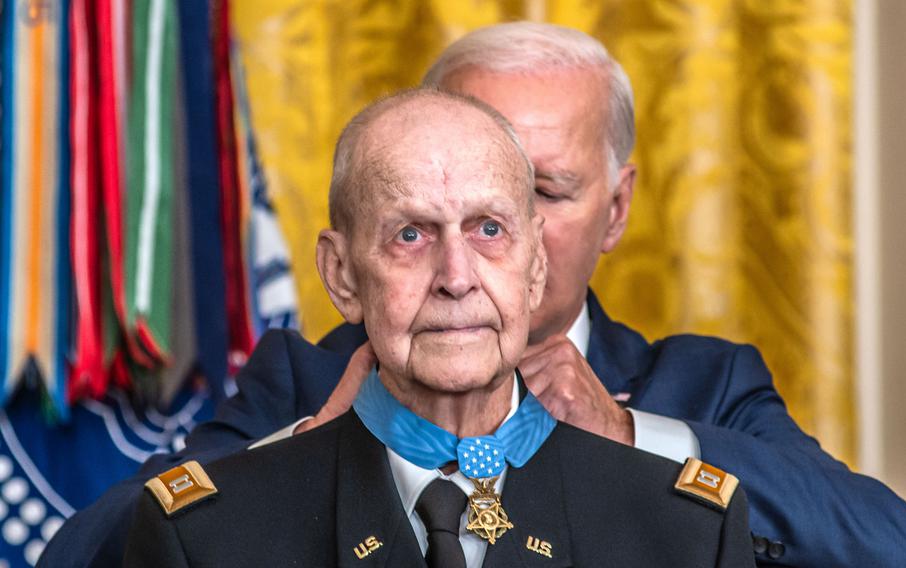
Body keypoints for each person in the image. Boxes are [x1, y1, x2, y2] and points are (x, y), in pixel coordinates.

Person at [41, 22, 906, 568]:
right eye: (418, 220)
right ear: (345, 266)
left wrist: (633, 439)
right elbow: (90, 552)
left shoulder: (705, 386)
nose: (461, 267)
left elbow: (884, 544)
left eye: (523, 204)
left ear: (615, 210)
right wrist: (303, 449)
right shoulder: (306, 378)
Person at [122, 88, 754, 567]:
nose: (457, 276)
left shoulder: (686, 532)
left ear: (534, 266)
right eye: (410, 234)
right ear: (341, 276)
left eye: (488, 230)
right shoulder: (209, 538)